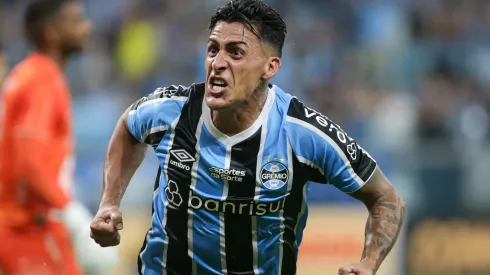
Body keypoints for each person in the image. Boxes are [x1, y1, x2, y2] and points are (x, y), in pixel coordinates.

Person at [90, 0, 406, 274]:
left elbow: (386, 197)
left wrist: (369, 263)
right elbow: (128, 127)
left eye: (235, 52)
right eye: (213, 49)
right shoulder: (171, 110)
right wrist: (109, 203)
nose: (218, 63)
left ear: (270, 67)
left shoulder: (302, 133)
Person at [0, 1, 116, 274]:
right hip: (27, 226)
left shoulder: (34, 75)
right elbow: (28, 163)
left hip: (30, 224)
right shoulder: (41, 80)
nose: (86, 27)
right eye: (76, 20)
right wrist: (70, 212)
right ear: (52, 32)